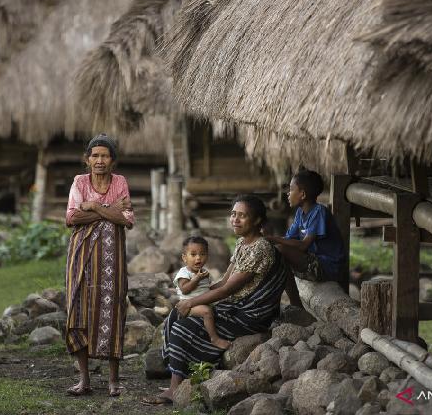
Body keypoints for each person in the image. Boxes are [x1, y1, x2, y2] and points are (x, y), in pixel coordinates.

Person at [141, 195, 287, 406]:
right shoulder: (241, 244)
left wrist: (192, 303)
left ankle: (174, 389)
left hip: (249, 314)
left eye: (242, 216)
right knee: (176, 314)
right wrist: (194, 297)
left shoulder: (260, 248)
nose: (235, 220)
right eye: (233, 214)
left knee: (185, 327)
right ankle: (179, 374)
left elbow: (228, 289)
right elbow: (222, 282)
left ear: (256, 220)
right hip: (234, 306)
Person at [64, 134, 134, 397]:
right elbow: (71, 217)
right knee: (78, 309)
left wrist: (93, 206)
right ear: (87, 159)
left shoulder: (120, 182)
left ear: (113, 161)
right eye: (95, 155)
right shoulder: (79, 182)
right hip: (81, 256)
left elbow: (126, 219)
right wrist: (109, 208)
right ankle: (84, 380)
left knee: (112, 309)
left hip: (111, 259)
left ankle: (113, 380)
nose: (99, 160)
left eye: (105, 155)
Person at [266, 169, 345, 305]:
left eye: (291, 190)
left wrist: (273, 239)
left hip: (327, 267)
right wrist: (266, 240)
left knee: (280, 250)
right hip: (313, 263)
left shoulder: (319, 212)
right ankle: (292, 303)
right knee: (277, 253)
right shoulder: (299, 213)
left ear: (302, 194)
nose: (287, 194)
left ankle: (294, 302)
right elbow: (288, 239)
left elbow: (304, 245)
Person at [174, 236, 231, 350]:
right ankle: (215, 339)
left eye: (202, 254)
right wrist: (196, 279)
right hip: (188, 306)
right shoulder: (184, 272)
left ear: (207, 256)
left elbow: (208, 289)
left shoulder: (204, 272)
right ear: (184, 258)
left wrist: (223, 283)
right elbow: (184, 289)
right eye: (193, 254)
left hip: (203, 301)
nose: (198, 258)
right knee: (207, 311)